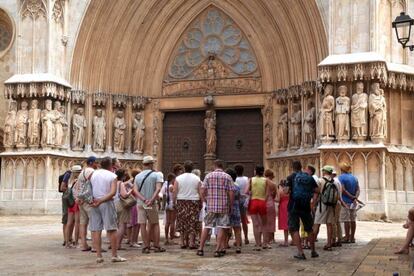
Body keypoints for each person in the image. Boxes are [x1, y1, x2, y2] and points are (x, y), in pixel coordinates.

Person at [90, 156, 126, 263]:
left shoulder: (94, 174)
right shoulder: (112, 176)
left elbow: (89, 188)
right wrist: (101, 200)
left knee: (96, 229)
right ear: (111, 165)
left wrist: (94, 200)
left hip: (94, 203)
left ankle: (99, 256)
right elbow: (112, 193)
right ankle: (114, 255)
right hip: (106, 203)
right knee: (112, 229)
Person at [197, 159, 235, 258]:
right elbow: (231, 193)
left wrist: (205, 199)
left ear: (214, 166)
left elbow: (202, 190)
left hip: (211, 206)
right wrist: (231, 205)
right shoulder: (228, 177)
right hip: (223, 206)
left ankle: (200, 248)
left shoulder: (208, 176)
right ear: (222, 166)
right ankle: (217, 250)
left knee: (207, 226)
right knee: (222, 227)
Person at [286, 160, 319, 260]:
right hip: (305, 205)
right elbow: (317, 190)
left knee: (294, 228)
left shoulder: (290, 177)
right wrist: (312, 201)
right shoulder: (309, 177)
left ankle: (301, 252)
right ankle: (313, 251)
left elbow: (286, 191)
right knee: (309, 228)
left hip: (294, 206)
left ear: (292, 167)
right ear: (301, 167)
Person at [134, 155, 165, 254]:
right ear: (151, 164)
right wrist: (151, 200)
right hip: (151, 204)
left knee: (142, 225)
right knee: (155, 224)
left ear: (143, 164)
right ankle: (156, 245)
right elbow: (158, 189)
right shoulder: (156, 175)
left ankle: (146, 246)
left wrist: (144, 199)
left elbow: (135, 190)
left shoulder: (138, 176)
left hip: (141, 203)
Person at [174, 161, 202, 249]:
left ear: (184, 168)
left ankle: (182, 242)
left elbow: (175, 191)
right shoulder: (197, 178)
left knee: (182, 221)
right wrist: (201, 202)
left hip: (181, 201)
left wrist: (174, 201)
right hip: (194, 201)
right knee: (192, 222)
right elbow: (200, 191)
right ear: (192, 168)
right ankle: (191, 242)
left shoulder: (178, 178)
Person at [312, 165, 341, 251]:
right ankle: (329, 243)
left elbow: (316, 194)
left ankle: (312, 243)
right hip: (331, 206)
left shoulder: (320, 180)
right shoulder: (335, 182)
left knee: (316, 223)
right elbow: (338, 195)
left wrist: (313, 204)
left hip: (322, 205)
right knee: (330, 225)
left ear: (324, 172)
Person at [245, 165, 271, 250]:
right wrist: (264, 201)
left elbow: (246, 191)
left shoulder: (251, 179)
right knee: (264, 224)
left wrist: (251, 192)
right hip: (262, 202)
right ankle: (265, 243)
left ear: (255, 171)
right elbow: (267, 193)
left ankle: (258, 244)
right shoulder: (266, 180)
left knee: (255, 224)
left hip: (253, 202)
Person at [76, 156, 97, 252]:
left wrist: (78, 197)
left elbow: (77, 186)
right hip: (88, 200)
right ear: (92, 162)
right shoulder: (90, 171)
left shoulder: (82, 172)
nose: (98, 164)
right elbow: (94, 184)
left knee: (83, 223)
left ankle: (84, 244)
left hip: (82, 199)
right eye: (96, 162)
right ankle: (95, 246)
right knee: (93, 222)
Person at [115, 169, 138, 250]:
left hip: (115, 205)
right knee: (122, 226)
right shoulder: (120, 183)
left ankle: (115, 244)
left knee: (118, 226)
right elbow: (124, 195)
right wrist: (131, 190)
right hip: (121, 206)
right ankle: (118, 245)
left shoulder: (115, 182)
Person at [338, 162, 360, 243]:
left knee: (346, 220)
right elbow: (358, 189)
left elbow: (343, 190)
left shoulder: (341, 178)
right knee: (353, 219)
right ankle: (352, 237)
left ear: (341, 169)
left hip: (345, 201)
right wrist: (355, 198)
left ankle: (347, 237)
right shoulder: (354, 177)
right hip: (353, 202)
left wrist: (350, 196)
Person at [225, 168, 242, 254]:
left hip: (226, 208)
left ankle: (224, 244)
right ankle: (238, 246)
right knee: (237, 228)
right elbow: (239, 198)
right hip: (236, 208)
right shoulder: (237, 187)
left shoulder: (226, 187)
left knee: (225, 228)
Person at [65, 165, 82, 248]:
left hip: (70, 202)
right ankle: (76, 243)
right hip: (76, 202)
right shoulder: (78, 181)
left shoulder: (70, 180)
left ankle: (67, 242)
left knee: (69, 223)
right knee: (77, 223)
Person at [234, 164, 250, 245]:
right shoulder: (246, 179)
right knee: (244, 220)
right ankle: (246, 238)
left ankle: (238, 239)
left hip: (237, 200)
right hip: (244, 200)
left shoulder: (235, 180)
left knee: (237, 221)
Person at [127, 169, 141, 248]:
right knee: (136, 224)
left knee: (130, 224)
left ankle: (130, 239)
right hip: (135, 204)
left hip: (131, 205)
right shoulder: (135, 183)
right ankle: (134, 241)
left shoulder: (130, 182)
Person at [162, 173, 177, 245]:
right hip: (172, 203)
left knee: (167, 222)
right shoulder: (171, 186)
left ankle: (166, 238)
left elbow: (163, 194)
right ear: (172, 179)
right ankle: (171, 239)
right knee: (172, 222)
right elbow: (174, 195)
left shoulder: (166, 185)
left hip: (167, 204)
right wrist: (174, 203)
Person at [264, 169, 277, 246]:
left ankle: (266, 239)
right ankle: (272, 238)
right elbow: (274, 195)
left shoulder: (263, 182)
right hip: (271, 202)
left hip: (264, 202)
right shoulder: (273, 184)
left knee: (264, 221)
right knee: (272, 221)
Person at [59, 169, 71, 246]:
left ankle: (69, 238)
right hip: (67, 199)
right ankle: (65, 240)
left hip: (72, 200)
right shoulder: (68, 175)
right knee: (66, 219)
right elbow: (62, 188)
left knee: (71, 221)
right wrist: (71, 190)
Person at [277, 179, 289, 247]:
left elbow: (278, 200)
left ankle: (286, 241)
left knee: (285, 225)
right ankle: (293, 240)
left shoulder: (280, 191)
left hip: (283, 207)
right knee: (290, 223)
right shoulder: (289, 190)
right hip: (289, 206)